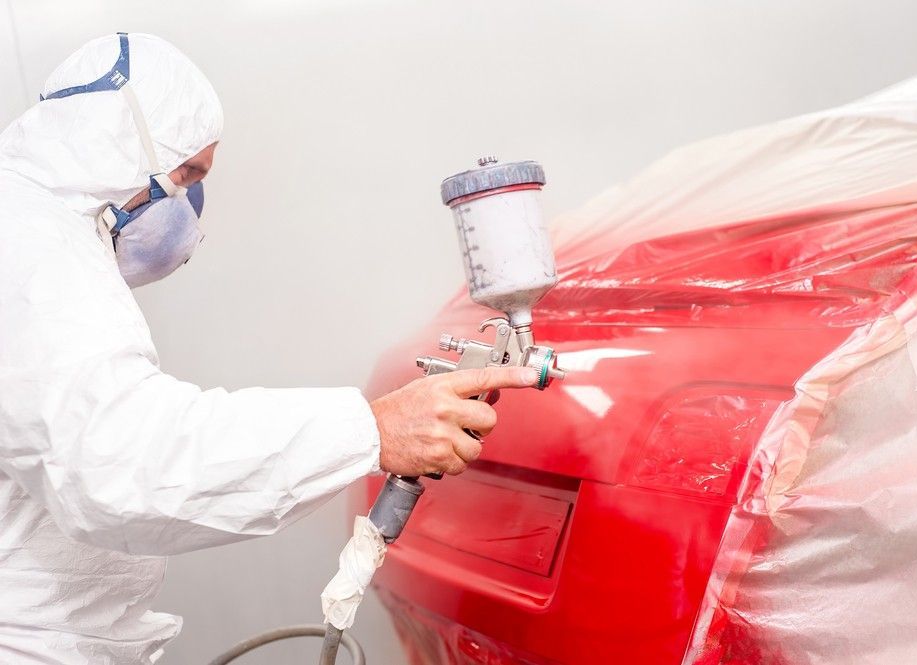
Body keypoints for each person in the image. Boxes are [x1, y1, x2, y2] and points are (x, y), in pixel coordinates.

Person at [0, 33, 536, 664]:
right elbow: (121, 462)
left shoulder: (45, 238)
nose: (189, 206)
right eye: (189, 174)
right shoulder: (34, 250)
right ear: (126, 137)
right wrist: (371, 429)